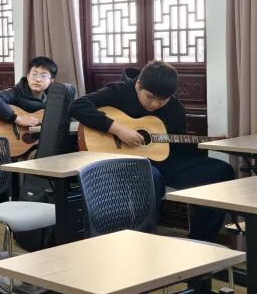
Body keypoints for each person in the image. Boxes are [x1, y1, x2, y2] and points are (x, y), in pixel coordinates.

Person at [69, 60, 234, 241]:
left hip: (164, 162)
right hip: (122, 163)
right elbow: (77, 106)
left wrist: (203, 144)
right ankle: (145, 240)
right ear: (138, 84)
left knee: (222, 171)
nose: (155, 104)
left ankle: (200, 240)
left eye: (162, 100)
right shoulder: (119, 91)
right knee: (150, 176)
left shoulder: (175, 108)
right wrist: (118, 129)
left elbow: (177, 149)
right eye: (150, 97)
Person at [0, 56, 58, 128]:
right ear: (28, 76)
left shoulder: (54, 97)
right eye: (34, 74)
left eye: (43, 76)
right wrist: (17, 119)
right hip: (12, 135)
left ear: (51, 80)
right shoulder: (17, 91)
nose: (38, 79)